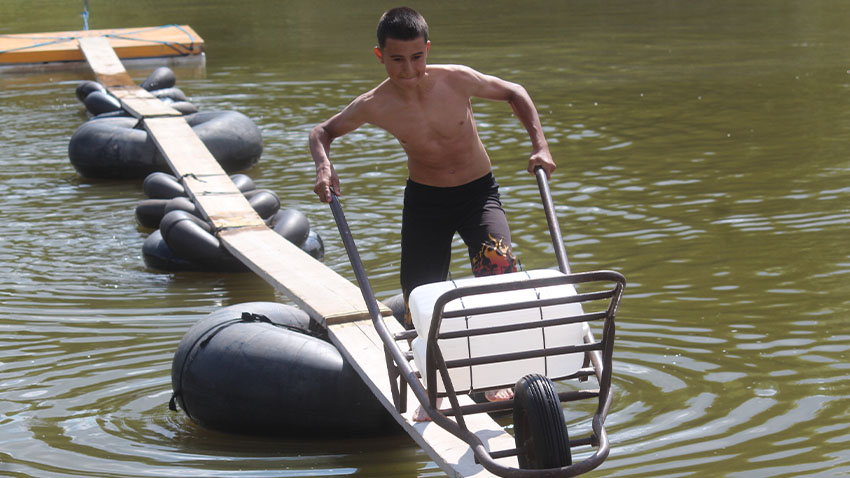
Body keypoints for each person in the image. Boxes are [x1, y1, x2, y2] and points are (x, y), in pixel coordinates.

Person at [309, 6, 555, 421]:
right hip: (426, 201)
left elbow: (515, 92)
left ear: (427, 49)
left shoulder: (456, 79)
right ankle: (433, 381)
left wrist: (540, 145)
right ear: (379, 56)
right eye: (397, 60)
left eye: (416, 57)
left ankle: (496, 376)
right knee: (419, 294)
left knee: (499, 268)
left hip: (479, 194)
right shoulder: (376, 103)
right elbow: (322, 132)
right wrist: (324, 166)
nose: (408, 70)